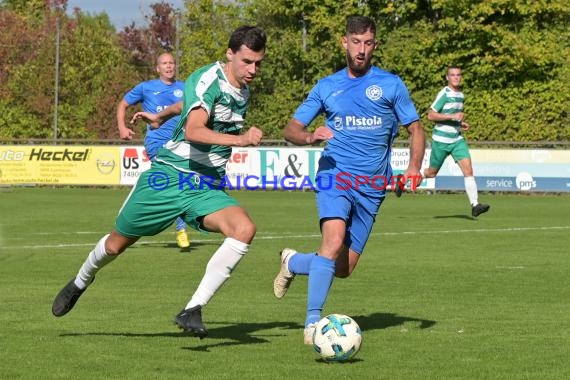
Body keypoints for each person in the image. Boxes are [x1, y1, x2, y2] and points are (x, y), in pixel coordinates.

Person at [52, 26, 268, 339]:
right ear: (230, 54)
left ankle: (192, 309)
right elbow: (194, 129)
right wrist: (241, 139)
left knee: (244, 228)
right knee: (115, 245)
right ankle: (81, 280)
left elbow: (187, 105)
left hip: (204, 186)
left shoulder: (242, 90)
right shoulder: (208, 79)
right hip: (169, 176)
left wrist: (161, 115)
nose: (253, 70)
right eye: (247, 61)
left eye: (258, 63)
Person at [272, 15, 425, 344]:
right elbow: (290, 130)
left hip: (372, 189)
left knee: (343, 268)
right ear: (344, 43)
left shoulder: (391, 85)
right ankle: (313, 324)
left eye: (368, 43)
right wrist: (311, 135)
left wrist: (413, 167)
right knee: (333, 239)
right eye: (356, 42)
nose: (361, 50)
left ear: (375, 45)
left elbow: (415, 128)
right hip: (333, 175)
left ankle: (293, 262)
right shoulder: (327, 86)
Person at [116, 52, 190, 249]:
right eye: (164, 63)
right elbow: (123, 104)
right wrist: (122, 127)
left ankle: (134, 213)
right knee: (172, 180)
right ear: (158, 68)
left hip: (180, 144)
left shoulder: (185, 88)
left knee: (178, 183)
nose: (169, 66)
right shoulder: (146, 87)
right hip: (157, 143)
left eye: (171, 63)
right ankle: (180, 228)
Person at [423, 66, 490, 217]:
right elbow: (431, 115)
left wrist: (460, 124)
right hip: (441, 140)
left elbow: (453, 115)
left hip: (456, 139)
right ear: (447, 78)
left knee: (469, 171)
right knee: (431, 173)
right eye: (452, 75)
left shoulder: (461, 95)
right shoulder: (444, 93)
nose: (456, 77)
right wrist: (453, 118)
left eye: (458, 75)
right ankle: (407, 180)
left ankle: (475, 205)